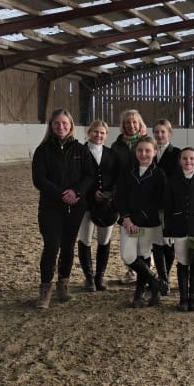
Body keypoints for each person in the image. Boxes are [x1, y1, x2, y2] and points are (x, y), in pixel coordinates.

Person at [31, 109, 95, 309]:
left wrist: (76, 192)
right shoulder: (42, 151)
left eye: (65, 123)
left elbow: (89, 175)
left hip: (75, 206)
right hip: (51, 206)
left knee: (68, 246)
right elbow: (39, 179)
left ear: (71, 125)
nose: (61, 127)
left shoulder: (80, 150)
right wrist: (61, 194)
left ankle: (63, 284)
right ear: (51, 125)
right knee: (51, 245)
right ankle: (45, 289)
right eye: (57, 123)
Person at [114, 136, 167, 308]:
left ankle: (139, 292)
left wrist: (138, 220)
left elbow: (158, 201)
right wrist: (126, 218)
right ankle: (155, 281)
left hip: (148, 223)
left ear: (154, 152)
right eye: (140, 150)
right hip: (128, 222)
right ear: (135, 152)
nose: (143, 154)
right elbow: (119, 196)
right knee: (128, 256)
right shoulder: (127, 172)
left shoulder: (159, 174)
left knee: (144, 255)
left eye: (147, 150)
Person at [162, 147, 194, 312]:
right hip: (178, 229)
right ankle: (183, 298)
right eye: (185, 158)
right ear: (180, 161)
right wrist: (167, 231)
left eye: (192, 158)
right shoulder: (172, 180)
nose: (188, 161)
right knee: (183, 263)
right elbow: (168, 208)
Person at [76, 120, 118, 293]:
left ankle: (100, 276)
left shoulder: (111, 154)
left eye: (102, 133)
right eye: (95, 132)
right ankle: (88, 277)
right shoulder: (80, 152)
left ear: (106, 135)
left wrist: (109, 194)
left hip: (106, 204)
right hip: (85, 203)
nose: (98, 135)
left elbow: (117, 178)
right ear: (89, 132)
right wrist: (91, 192)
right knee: (85, 239)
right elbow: (76, 177)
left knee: (104, 240)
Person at [110, 109, 147, 285]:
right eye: (127, 122)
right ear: (123, 125)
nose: (131, 125)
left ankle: (144, 272)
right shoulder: (116, 146)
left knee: (142, 238)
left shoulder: (146, 142)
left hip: (142, 195)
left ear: (140, 124)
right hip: (123, 195)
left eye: (134, 122)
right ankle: (132, 270)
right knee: (128, 237)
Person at [151, 119, 182, 296]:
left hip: (170, 205)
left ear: (169, 133)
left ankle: (165, 276)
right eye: (156, 132)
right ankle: (162, 278)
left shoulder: (177, 153)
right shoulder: (148, 151)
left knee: (169, 242)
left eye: (163, 132)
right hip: (152, 204)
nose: (159, 135)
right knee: (157, 242)